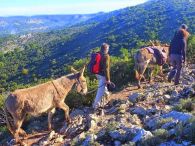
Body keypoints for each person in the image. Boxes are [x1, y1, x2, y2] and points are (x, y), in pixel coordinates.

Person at [92, 43, 111, 110]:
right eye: (108, 49)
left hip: (96, 73)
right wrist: (108, 79)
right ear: (106, 49)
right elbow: (106, 68)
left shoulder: (97, 53)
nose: (108, 50)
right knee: (100, 90)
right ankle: (95, 105)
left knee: (103, 87)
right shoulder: (106, 56)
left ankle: (107, 98)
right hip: (102, 75)